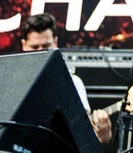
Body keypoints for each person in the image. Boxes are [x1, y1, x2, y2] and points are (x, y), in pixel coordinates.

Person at [20, 13, 114, 146]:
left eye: (46, 46)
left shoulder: (73, 83)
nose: (41, 52)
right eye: (35, 47)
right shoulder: (11, 82)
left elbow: (82, 134)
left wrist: (103, 138)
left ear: (55, 43)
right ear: (24, 45)